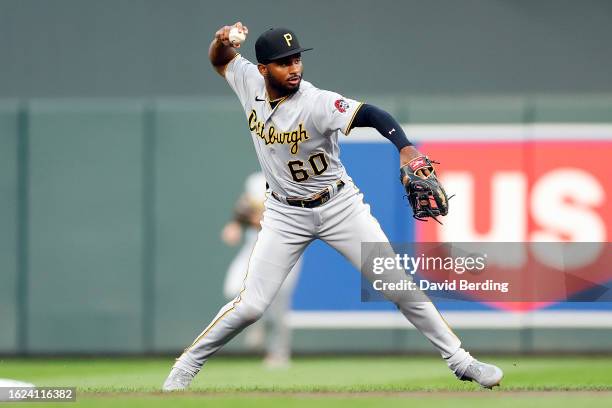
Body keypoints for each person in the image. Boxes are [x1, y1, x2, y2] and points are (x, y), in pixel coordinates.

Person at [163, 22, 503, 390]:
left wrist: (405, 148)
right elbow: (220, 59)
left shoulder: (316, 101)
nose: (294, 68)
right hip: (284, 213)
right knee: (251, 306)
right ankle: (185, 367)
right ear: (263, 69)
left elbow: (373, 114)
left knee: (398, 286)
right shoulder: (248, 82)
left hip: (340, 206)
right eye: (283, 62)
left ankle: (462, 361)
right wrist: (221, 39)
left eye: (296, 59)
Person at [221, 171, 301, 368]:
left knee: (278, 304)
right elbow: (244, 208)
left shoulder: (294, 177)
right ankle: (256, 323)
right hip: (254, 247)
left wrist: (259, 218)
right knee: (233, 289)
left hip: (285, 248)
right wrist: (236, 224)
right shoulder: (256, 180)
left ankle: (279, 353)